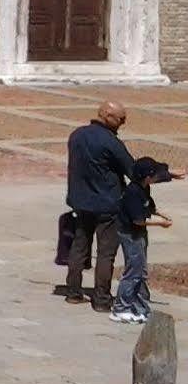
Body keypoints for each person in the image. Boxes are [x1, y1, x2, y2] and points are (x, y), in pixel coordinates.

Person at [64, 101, 135, 309]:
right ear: (106, 115)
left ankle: (73, 292)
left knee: (79, 246)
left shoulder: (76, 135)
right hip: (107, 205)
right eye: (120, 119)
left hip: (81, 202)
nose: (123, 123)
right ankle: (102, 299)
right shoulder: (110, 142)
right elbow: (131, 169)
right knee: (106, 253)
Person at [111, 158, 175, 325]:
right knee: (133, 272)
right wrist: (161, 224)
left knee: (141, 271)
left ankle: (140, 307)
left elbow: (150, 207)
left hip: (139, 234)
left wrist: (162, 215)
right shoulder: (133, 192)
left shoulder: (144, 188)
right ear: (147, 177)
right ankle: (120, 308)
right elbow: (138, 220)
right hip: (131, 234)